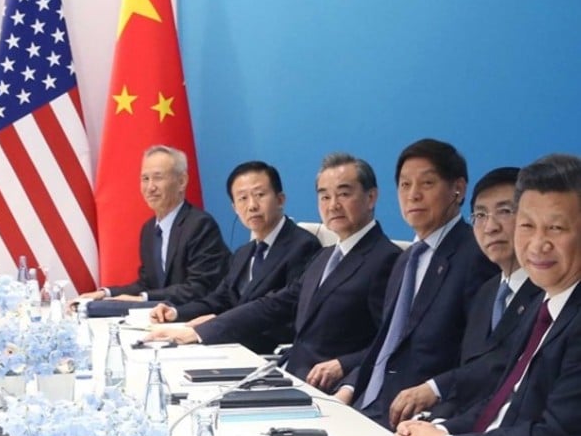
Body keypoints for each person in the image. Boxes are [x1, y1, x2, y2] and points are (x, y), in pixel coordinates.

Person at [147, 153, 400, 387]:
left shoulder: (388, 259)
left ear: (371, 197)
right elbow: (274, 305)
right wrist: (196, 330)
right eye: (324, 196)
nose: (333, 205)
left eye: (343, 194)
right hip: (288, 372)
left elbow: (393, 342)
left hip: (327, 385)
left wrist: (345, 371)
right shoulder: (325, 256)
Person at [396, 153, 581, 436]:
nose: (537, 244)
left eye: (556, 228)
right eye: (526, 225)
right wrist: (440, 430)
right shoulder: (544, 305)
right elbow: (502, 401)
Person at [336, 138, 497, 429]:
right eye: (404, 185)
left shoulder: (476, 255)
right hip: (363, 406)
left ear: (457, 189)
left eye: (427, 184)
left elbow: (481, 362)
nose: (413, 195)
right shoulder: (405, 259)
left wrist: (435, 414)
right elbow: (386, 343)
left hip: (410, 419)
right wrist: (348, 388)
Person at [388, 167, 541, 426]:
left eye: (505, 211)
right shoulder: (487, 292)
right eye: (480, 215)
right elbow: (468, 377)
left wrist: (443, 428)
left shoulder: (546, 296)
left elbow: (503, 379)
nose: (490, 227)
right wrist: (432, 420)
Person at [146, 160, 321, 354]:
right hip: (231, 344)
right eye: (242, 198)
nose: (252, 206)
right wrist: (175, 312)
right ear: (234, 207)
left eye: (260, 195)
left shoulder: (303, 246)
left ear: (280, 199)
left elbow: (285, 314)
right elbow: (219, 300)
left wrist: (212, 327)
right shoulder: (243, 253)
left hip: (263, 352)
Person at [78, 145, 229, 306]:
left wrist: (143, 299)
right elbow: (147, 284)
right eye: (145, 179)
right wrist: (105, 293)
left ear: (182, 181)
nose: (150, 187)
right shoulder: (149, 230)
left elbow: (200, 287)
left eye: (158, 178)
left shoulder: (200, 225)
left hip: (196, 320)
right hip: (162, 319)